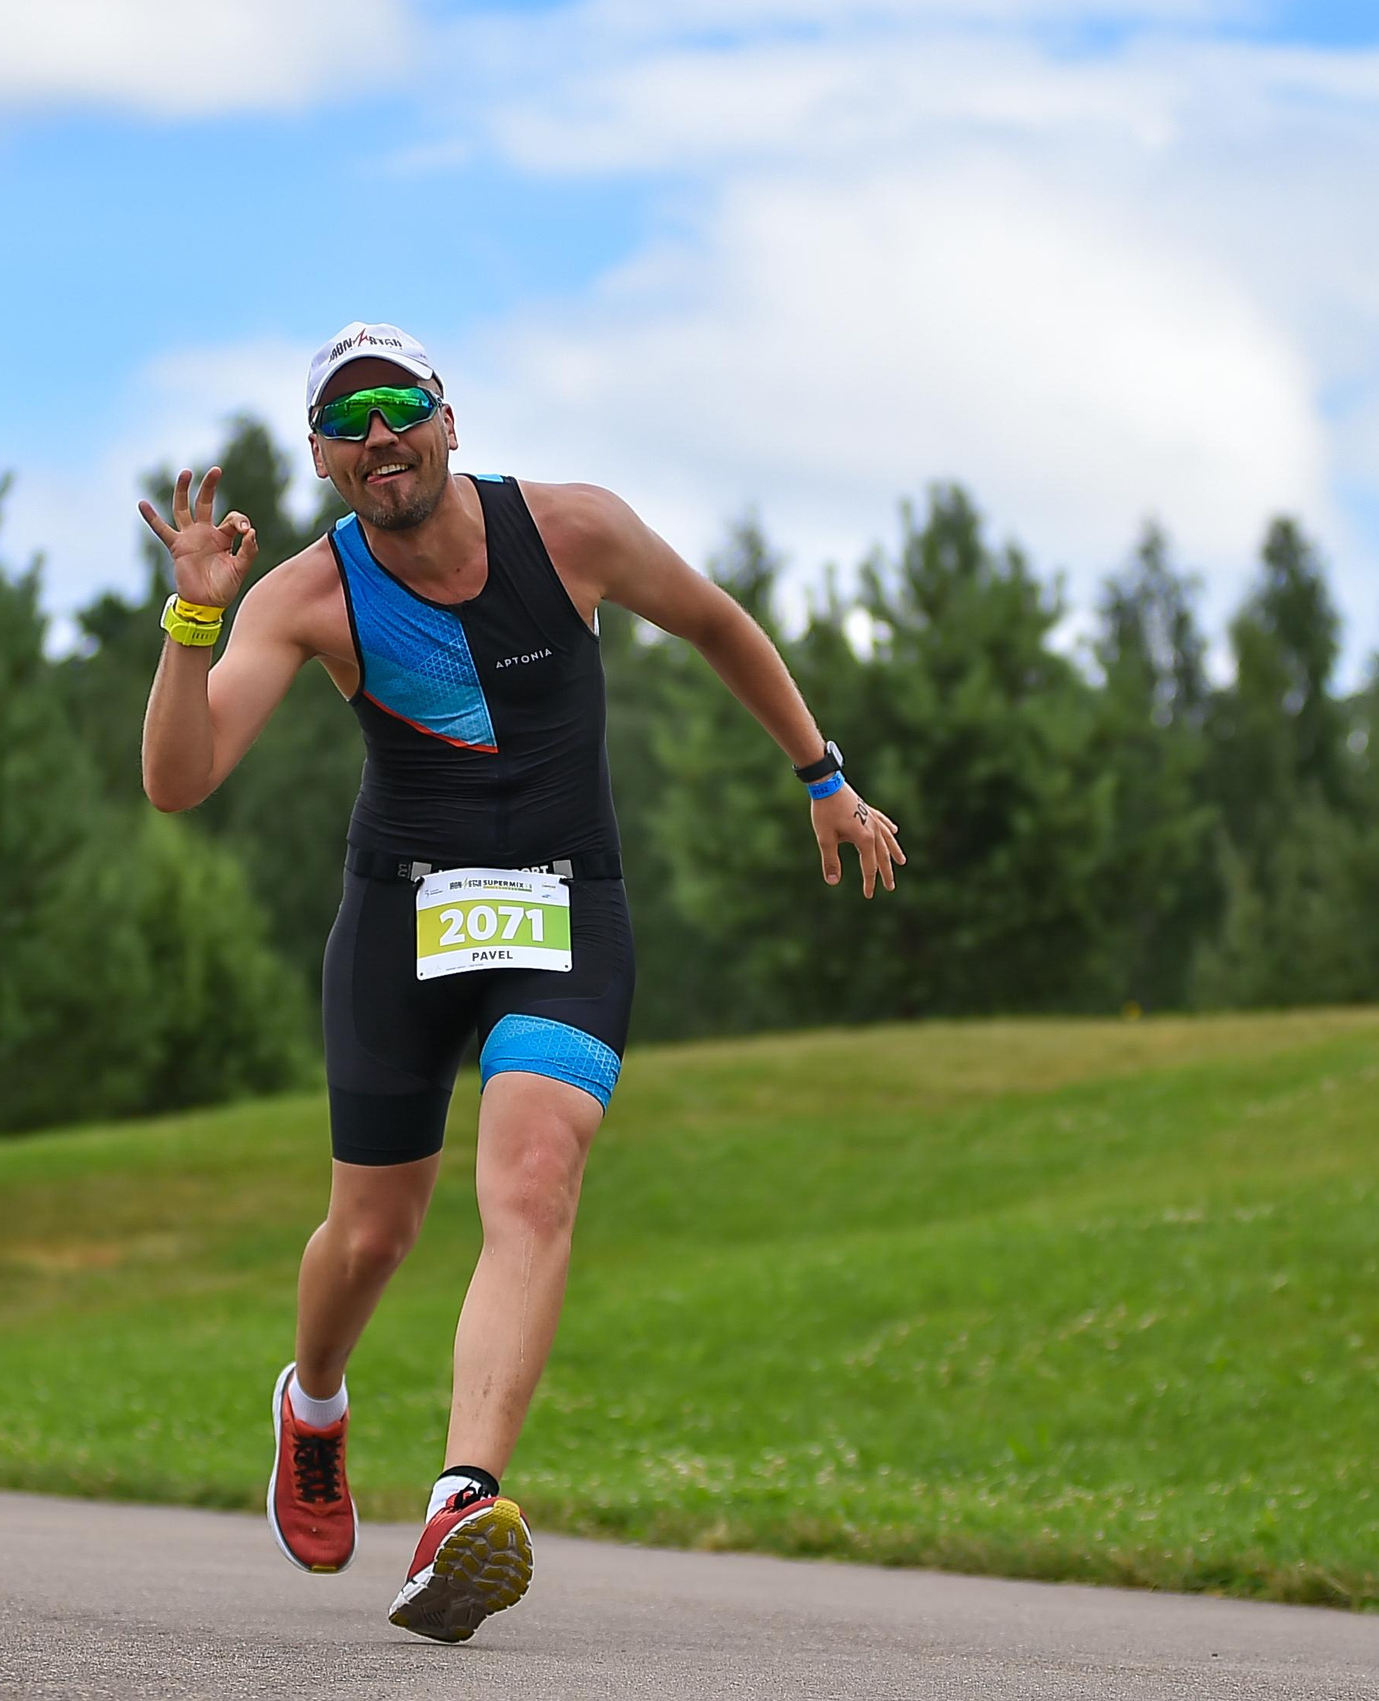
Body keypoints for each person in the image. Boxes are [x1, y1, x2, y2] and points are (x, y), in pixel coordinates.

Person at [137, 322, 905, 1644]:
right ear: (322, 460)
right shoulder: (308, 597)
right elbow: (180, 778)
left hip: (564, 906)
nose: (378, 435)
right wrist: (195, 616)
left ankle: (460, 1500)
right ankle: (313, 1399)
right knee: (372, 1235)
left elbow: (717, 622)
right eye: (346, 419)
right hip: (399, 925)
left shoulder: (574, 532)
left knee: (537, 1176)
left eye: (397, 405)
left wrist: (822, 774)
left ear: (447, 417)